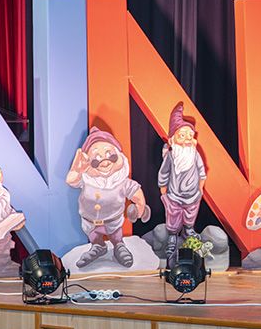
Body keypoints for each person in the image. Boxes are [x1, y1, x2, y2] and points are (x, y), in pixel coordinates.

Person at [66, 127, 150, 268]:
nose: (105, 162)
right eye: (96, 159)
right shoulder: (86, 179)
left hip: (113, 220)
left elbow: (136, 192)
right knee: (93, 235)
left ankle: (119, 246)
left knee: (115, 235)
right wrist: (76, 170)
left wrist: (140, 206)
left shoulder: (121, 181)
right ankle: (98, 246)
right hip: (89, 220)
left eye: (111, 156)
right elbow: (71, 181)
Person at [158, 102, 207, 260]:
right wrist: (163, 191)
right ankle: (173, 235)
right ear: (172, 140)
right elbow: (163, 173)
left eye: (190, 136)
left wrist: (200, 189)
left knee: (191, 213)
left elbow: (202, 171)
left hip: (193, 194)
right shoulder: (171, 157)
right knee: (173, 215)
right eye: (182, 135)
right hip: (174, 195)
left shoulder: (195, 154)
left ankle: (188, 230)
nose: (187, 139)